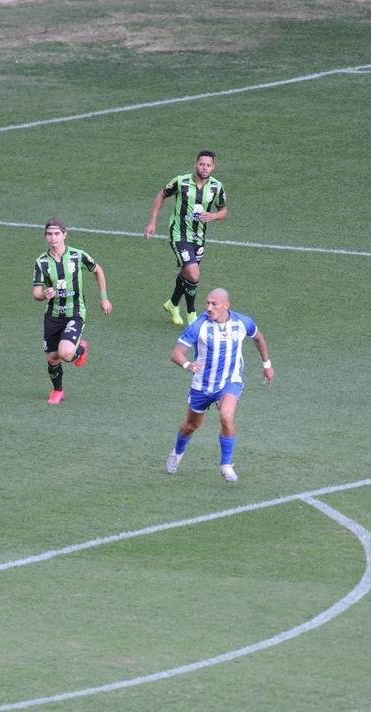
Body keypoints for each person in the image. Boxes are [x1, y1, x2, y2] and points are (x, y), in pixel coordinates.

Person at [166, 288, 273, 483]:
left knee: (226, 416)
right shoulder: (199, 326)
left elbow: (258, 337)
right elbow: (176, 353)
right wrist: (188, 364)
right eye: (207, 303)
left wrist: (267, 365)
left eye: (214, 304)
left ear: (226, 305)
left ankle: (226, 464)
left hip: (230, 382)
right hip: (202, 385)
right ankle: (177, 452)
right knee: (191, 425)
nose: (208, 307)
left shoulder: (241, 322)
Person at [32, 218, 113, 405]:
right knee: (52, 358)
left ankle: (80, 348)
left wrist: (104, 297)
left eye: (57, 234)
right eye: (49, 234)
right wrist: (44, 294)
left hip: (75, 312)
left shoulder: (77, 256)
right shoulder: (41, 262)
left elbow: (97, 270)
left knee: (66, 354)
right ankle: (58, 390)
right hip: (52, 316)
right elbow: (35, 292)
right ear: (46, 237)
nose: (53, 238)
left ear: (64, 235)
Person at [143, 150, 227, 327]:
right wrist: (152, 221)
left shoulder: (216, 187)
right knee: (194, 274)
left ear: (213, 167)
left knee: (186, 273)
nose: (205, 168)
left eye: (208, 165)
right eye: (202, 164)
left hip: (199, 237)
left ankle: (173, 304)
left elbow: (223, 210)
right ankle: (191, 313)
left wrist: (213, 216)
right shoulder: (181, 181)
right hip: (179, 234)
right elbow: (161, 195)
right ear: (195, 164)